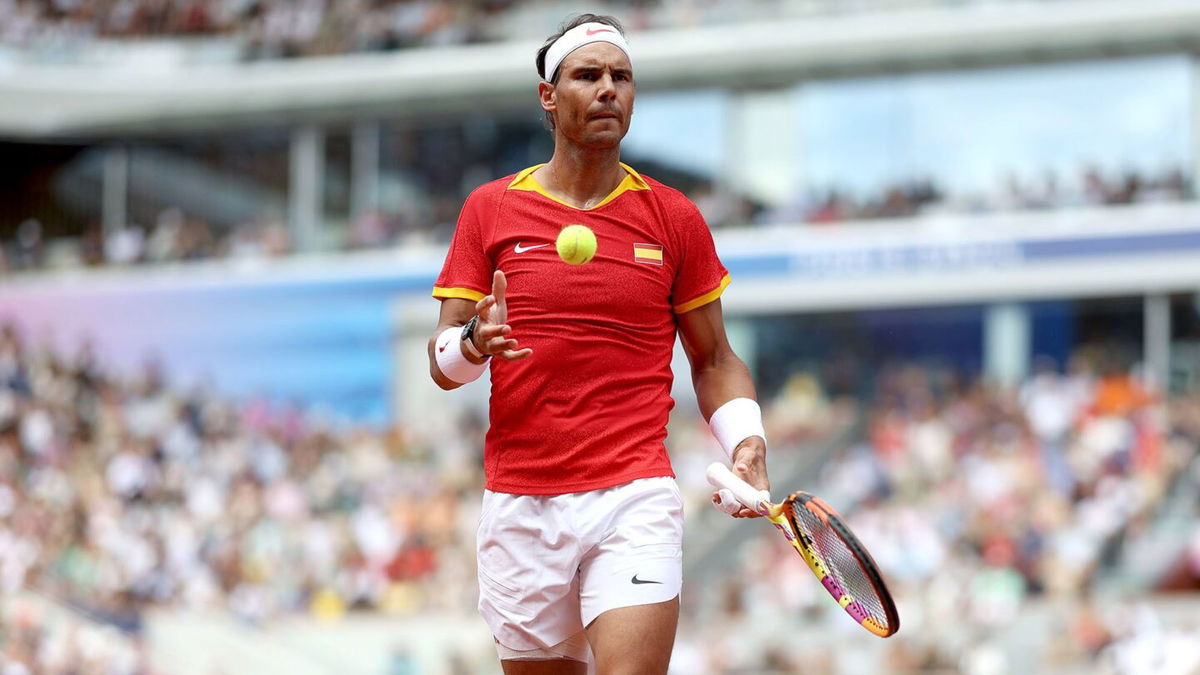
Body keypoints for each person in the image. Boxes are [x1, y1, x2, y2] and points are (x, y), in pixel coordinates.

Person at [427, 14, 770, 674]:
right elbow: (444, 366)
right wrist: (474, 341)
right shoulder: (490, 209)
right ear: (548, 97)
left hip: (633, 495)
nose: (609, 88)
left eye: (622, 76)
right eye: (588, 75)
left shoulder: (675, 217)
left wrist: (747, 439)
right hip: (520, 501)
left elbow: (716, 358)